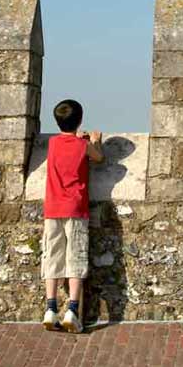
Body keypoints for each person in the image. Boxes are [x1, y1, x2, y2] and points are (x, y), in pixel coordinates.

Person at [41, 99, 104, 333]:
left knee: (53, 257)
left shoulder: (52, 144)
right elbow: (98, 157)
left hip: (53, 209)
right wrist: (95, 141)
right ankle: (73, 311)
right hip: (75, 210)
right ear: (79, 121)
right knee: (75, 259)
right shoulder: (81, 146)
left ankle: (50, 308)